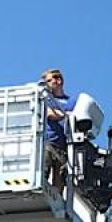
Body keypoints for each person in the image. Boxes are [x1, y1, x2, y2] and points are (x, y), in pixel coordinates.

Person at [40, 67, 76, 195]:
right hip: (49, 142)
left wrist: (65, 114)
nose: (48, 84)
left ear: (58, 81)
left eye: (49, 81)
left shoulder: (71, 101)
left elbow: (77, 115)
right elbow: (49, 114)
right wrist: (66, 114)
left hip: (64, 145)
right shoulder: (47, 99)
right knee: (43, 171)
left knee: (59, 181)